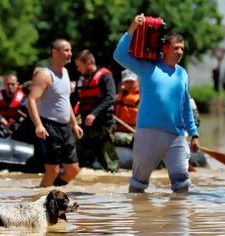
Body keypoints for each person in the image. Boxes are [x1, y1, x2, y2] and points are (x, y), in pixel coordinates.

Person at [113, 14, 199, 193]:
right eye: (176, 48)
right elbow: (119, 55)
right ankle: (140, 219)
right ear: (165, 48)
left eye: (182, 49)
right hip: (148, 133)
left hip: (176, 136)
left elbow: (185, 106)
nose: (180, 52)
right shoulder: (147, 67)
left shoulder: (183, 73)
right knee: (138, 185)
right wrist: (132, 29)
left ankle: (178, 219)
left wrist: (194, 133)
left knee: (182, 184)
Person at [27, 38, 83, 187]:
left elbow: (65, 101)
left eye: (70, 50)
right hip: (49, 125)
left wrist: (74, 124)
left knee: (73, 170)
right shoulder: (44, 75)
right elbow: (31, 100)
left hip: (65, 127)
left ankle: (53, 194)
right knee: (53, 171)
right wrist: (38, 125)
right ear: (54, 52)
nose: (70, 53)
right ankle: (40, 201)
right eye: (66, 50)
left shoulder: (65, 72)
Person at [74, 49, 119, 172]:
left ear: (88, 62)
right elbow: (77, 100)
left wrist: (93, 114)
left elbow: (110, 97)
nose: (78, 69)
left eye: (79, 65)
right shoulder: (82, 80)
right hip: (86, 125)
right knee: (83, 158)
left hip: (103, 123)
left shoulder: (105, 76)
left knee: (108, 160)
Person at [114, 69, 140, 147]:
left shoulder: (143, 97)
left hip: (136, 133)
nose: (129, 85)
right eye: (126, 82)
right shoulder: (118, 97)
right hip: (120, 132)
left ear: (138, 81)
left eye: (132, 82)